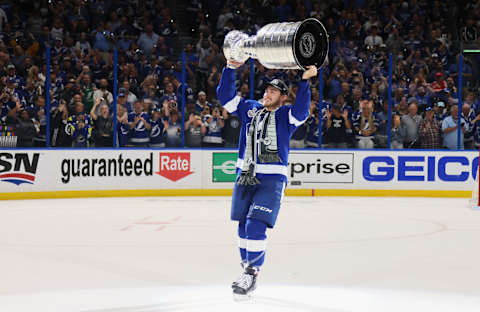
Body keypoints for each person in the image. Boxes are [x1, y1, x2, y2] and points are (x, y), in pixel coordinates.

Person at [217, 57, 316, 297]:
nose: (268, 93)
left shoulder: (286, 115)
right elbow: (226, 97)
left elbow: (303, 111)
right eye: (268, 89)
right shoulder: (249, 107)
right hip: (245, 176)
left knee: (255, 224)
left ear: (283, 97)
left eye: (275, 91)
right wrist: (230, 68)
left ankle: (252, 272)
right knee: (242, 225)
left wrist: (304, 83)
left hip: (271, 179)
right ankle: (245, 270)